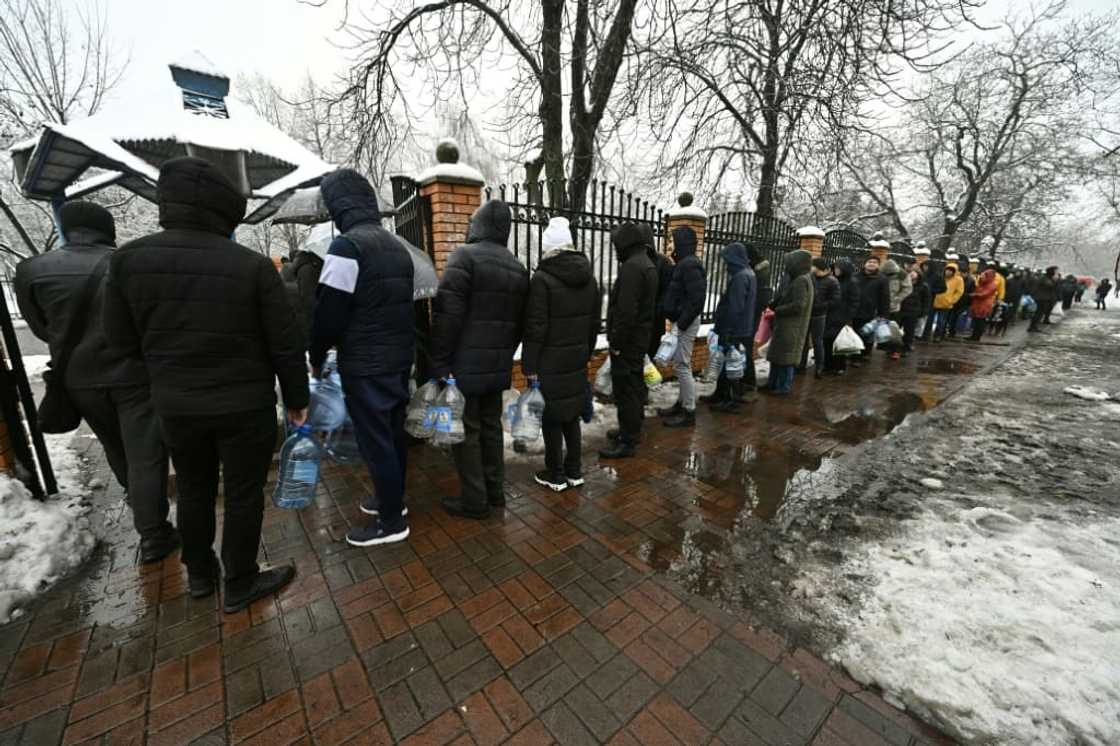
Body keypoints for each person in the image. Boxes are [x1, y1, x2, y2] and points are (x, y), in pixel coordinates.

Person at [103, 157, 308, 612]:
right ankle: (239, 580)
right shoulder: (253, 267)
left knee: (193, 488)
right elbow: (285, 344)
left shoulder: (128, 262)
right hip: (244, 405)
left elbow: (119, 341)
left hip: (177, 405)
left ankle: (199, 574)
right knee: (241, 493)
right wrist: (297, 399)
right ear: (222, 209)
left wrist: (165, 369)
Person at [15, 202, 176, 564]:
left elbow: (42, 328)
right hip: (134, 375)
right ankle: (153, 534)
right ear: (109, 229)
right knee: (146, 454)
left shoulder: (31, 271)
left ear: (64, 228)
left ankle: (140, 507)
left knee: (114, 446)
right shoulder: (130, 263)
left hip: (79, 379)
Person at [308, 170, 415, 546]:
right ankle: (393, 502)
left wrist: (316, 355)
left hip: (367, 363)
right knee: (392, 433)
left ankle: (390, 522)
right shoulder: (397, 246)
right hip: (398, 358)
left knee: (376, 440)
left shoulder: (347, 247)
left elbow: (328, 312)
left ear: (339, 206)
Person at [430, 200, 530, 519]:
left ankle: (474, 501)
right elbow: (519, 323)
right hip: (497, 366)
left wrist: (440, 363)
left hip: (463, 367)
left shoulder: (464, 257)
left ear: (479, 225)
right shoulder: (517, 267)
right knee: (490, 428)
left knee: (467, 433)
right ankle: (495, 492)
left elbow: (447, 317)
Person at [521, 218, 599, 492]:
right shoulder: (589, 278)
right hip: (576, 359)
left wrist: (529, 364)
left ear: (548, 248)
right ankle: (574, 471)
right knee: (572, 414)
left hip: (549, 362)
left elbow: (535, 327)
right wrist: (585, 353)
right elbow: (593, 324)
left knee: (552, 417)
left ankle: (554, 473)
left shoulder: (541, 280)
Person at [601, 223, 658, 459]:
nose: (615, 251)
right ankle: (631, 429)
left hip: (627, 343)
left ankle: (628, 440)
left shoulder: (632, 269)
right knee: (634, 387)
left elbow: (626, 312)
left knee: (626, 390)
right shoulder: (647, 264)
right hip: (639, 339)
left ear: (625, 244)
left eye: (616, 246)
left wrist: (616, 342)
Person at [657, 226, 706, 428]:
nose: (669, 245)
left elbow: (697, 300)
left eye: (672, 242)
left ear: (682, 243)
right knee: (679, 364)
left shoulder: (690, 265)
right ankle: (681, 403)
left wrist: (681, 325)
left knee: (682, 365)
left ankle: (689, 410)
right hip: (682, 321)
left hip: (686, 322)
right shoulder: (685, 263)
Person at [709, 242, 757, 413]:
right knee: (727, 363)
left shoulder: (740, 277)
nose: (725, 264)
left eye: (727, 260)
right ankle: (720, 394)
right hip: (740, 328)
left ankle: (728, 399)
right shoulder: (748, 273)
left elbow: (735, 307)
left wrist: (727, 331)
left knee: (730, 364)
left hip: (734, 329)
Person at [765, 250, 814, 394]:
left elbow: (798, 305)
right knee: (778, 356)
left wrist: (777, 310)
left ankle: (782, 387)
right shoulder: (800, 278)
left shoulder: (801, 280)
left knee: (786, 359)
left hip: (792, 326)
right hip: (787, 325)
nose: (786, 265)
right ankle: (772, 383)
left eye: (790, 262)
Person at [799, 257, 840, 376]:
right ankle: (801, 365)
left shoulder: (832, 281)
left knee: (817, 342)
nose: (811, 268)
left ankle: (819, 367)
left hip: (819, 316)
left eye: (813, 266)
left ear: (818, 267)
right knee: (803, 341)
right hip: (806, 315)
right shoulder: (809, 278)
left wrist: (821, 306)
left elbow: (835, 301)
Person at [281, 240, 324, 343]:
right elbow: (309, 298)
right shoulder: (309, 267)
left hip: (300, 313)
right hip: (310, 312)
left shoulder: (296, 269)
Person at [644, 225, 674, 362]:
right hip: (640, 323)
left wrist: (656, 311)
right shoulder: (635, 261)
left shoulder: (663, 263)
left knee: (650, 360)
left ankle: (648, 383)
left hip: (655, 322)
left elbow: (667, 294)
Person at [852, 255, 890, 361]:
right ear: (865, 264)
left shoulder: (882, 279)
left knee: (868, 334)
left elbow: (885, 297)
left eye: (875, 262)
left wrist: (884, 314)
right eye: (869, 261)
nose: (872, 264)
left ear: (878, 265)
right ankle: (855, 355)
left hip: (872, 311)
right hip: (856, 310)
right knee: (856, 333)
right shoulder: (856, 276)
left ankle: (865, 353)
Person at [824, 259, 859, 374]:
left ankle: (839, 366)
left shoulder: (852, 283)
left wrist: (848, 317)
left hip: (841, 317)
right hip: (829, 315)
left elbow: (854, 301)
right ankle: (827, 365)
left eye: (838, 268)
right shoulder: (832, 280)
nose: (836, 270)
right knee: (827, 341)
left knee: (839, 342)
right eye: (835, 268)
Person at [881, 258, 912, 360]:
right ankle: (886, 348)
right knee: (882, 329)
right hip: (880, 306)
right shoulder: (880, 272)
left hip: (894, 307)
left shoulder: (902, 274)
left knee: (894, 330)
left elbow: (908, 288)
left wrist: (897, 299)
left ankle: (895, 350)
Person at [898, 266, 930, 354]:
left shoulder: (923, 286)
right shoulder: (902, 283)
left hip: (913, 311)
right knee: (896, 329)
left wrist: (924, 312)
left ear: (919, 274)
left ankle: (906, 347)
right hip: (900, 310)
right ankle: (893, 347)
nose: (911, 274)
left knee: (909, 331)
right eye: (910, 272)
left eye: (914, 272)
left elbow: (926, 301)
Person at [930, 262, 964, 341]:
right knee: (930, 320)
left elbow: (959, 292)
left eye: (951, 271)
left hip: (946, 303)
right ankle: (927, 335)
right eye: (947, 270)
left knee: (941, 321)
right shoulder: (940, 277)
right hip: (935, 301)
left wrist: (952, 300)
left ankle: (938, 335)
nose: (948, 272)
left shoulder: (958, 279)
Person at [968, 268, 998, 341]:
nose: (982, 276)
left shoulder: (992, 284)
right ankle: (973, 336)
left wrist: (975, 295)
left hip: (984, 305)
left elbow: (985, 294)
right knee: (976, 320)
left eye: (984, 275)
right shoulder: (982, 283)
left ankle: (977, 336)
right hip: (978, 303)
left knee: (980, 321)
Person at [1028, 266, 1060, 331]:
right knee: (1039, 313)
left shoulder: (1048, 278)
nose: (1057, 272)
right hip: (1041, 298)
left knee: (1040, 313)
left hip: (1044, 297)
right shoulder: (1044, 278)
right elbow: (1050, 285)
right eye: (1056, 271)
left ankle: (1033, 326)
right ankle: (1032, 327)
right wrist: (1055, 280)